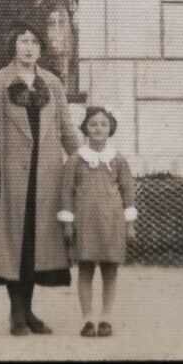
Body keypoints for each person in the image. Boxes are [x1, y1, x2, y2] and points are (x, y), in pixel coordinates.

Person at [0, 20, 81, 336]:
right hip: (10, 181)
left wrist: (83, 164)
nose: (29, 47)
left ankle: (30, 312)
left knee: (36, 248)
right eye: (23, 40)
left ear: (41, 48)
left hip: (47, 180)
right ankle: (16, 314)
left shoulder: (53, 84)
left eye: (34, 41)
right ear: (13, 45)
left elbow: (67, 131)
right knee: (13, 247)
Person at [58, 106, 137, 338]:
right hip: (85, 222)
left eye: (103, 124)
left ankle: (106, 318)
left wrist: (129, 224)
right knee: (85, 269)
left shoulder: (118, 160)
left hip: (112, 222)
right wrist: (67, 222)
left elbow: (128, 191)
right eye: (93, 124)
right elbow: (65, 191)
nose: (98, 128)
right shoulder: (75, 160)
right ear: (85, 129)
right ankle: (87, 320)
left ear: (110, 128)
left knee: (110, 270)